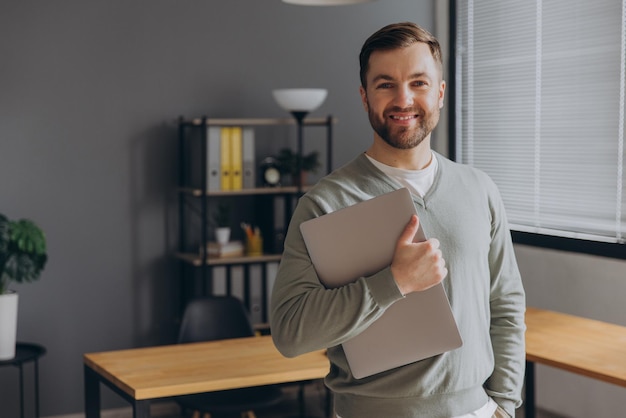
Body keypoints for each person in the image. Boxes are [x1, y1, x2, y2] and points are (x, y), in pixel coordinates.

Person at [270, 22, 526, 418]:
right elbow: (290, 332)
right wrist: (394, 283)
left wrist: (506, 406)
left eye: (419, 83)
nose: (403, 99)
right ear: (364, 96)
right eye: (385, 84)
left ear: (440, 93)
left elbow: (506, 306)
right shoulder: (325, 202)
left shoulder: (480, 189)